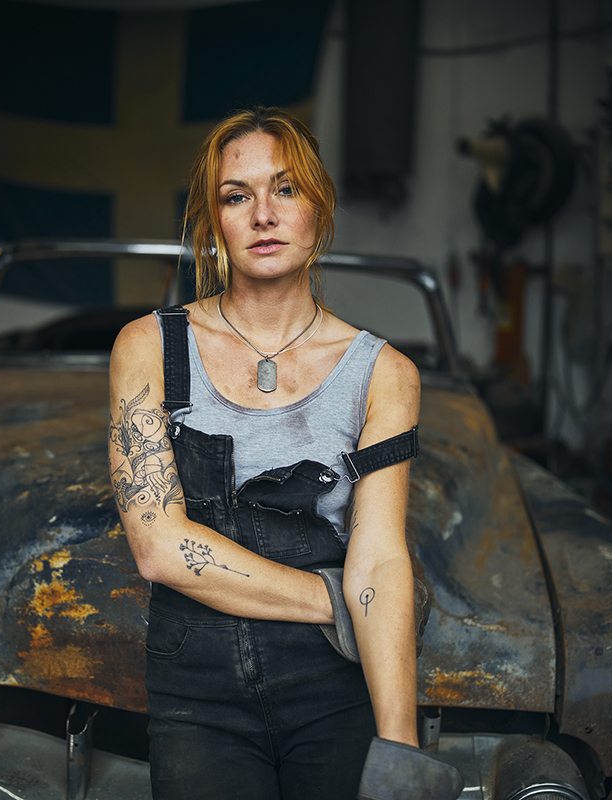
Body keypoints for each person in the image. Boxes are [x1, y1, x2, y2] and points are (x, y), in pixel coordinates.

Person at [109, 107, 458, 800]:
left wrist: (398, 749)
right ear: (214, 223)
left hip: (331, 685)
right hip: (197, 693)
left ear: (320, 209)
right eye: (237, 196)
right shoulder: (149, 347)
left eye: (286, 189)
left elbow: (381, 554)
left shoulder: (384, 374)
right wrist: (334, 600)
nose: (263, 213)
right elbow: (159, 546)